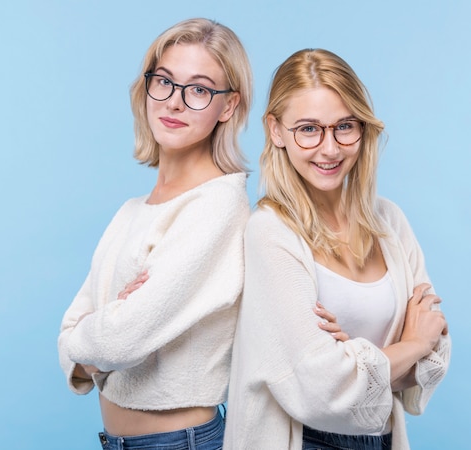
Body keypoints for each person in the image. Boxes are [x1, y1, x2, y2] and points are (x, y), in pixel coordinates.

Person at [223, 48, 451, 450]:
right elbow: (318, 388)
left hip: (382, 439)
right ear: (275, 130)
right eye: (308, 129)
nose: (330, 149)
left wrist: (356, 366)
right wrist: (410, 345)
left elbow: (439, 348)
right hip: (303, 440)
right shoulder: (270, 233)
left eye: (344, 126)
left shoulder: (389, 222)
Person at [58, 18, 253, 449]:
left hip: (179, 442)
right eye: (163, 81)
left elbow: (118, 340)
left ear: (228, 106)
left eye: (199, 89)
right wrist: (92, 340)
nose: (175, 103)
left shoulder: (217, 207)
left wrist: (88, 340)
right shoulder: (132, 212)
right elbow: (77, 327)